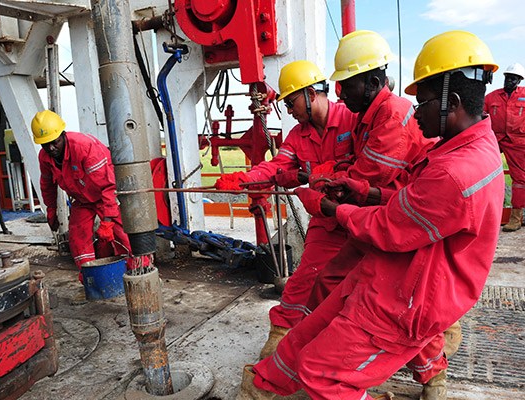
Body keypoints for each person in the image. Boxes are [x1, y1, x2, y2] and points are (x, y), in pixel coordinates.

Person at [238, 30, 504, 400]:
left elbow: (392, 220)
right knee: (327, 298)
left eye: (422, 102)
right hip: (404, 244)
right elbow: (401, 195)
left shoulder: (431, 152)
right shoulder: (460, 147)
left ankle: (422, 375)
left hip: (407, 271)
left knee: (323, 366)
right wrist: (359, 191)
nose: (415, 112)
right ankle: (271, 379)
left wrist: (326, 197)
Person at [215, 60, 358, 359]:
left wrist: (334, 173)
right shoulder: (298, 136)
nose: (289, 111)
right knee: (306, 278)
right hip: (325, 220)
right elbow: (278, 166)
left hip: (362, 219)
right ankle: (280, 335)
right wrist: (246, 179)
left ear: (310, 94)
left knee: (376, 286)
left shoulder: (351, 119)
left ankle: (430, 371)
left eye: (291, 102)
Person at [31, 110, 132, 282]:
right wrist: (51, 208)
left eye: (54, 142)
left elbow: (108, 186)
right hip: (82, 200)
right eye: (45, 144)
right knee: (78, 236)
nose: (50, 148)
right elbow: (47, 184)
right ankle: (91, 279)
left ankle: (138, 271)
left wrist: (107, 222)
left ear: (62, 135)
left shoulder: (84, 147)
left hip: (104, 196)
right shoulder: (45, 157)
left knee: (121, 234)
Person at [484, 62, 525, 231]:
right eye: (508, 77)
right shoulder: (492, 97)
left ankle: (516, 217)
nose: (510, 81)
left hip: (518, 141)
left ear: (519, 80)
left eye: (514, 79)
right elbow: (481, 115)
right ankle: (485, 213)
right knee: (482, 172)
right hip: (495, 138)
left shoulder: (524, 96)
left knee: (519, 179)